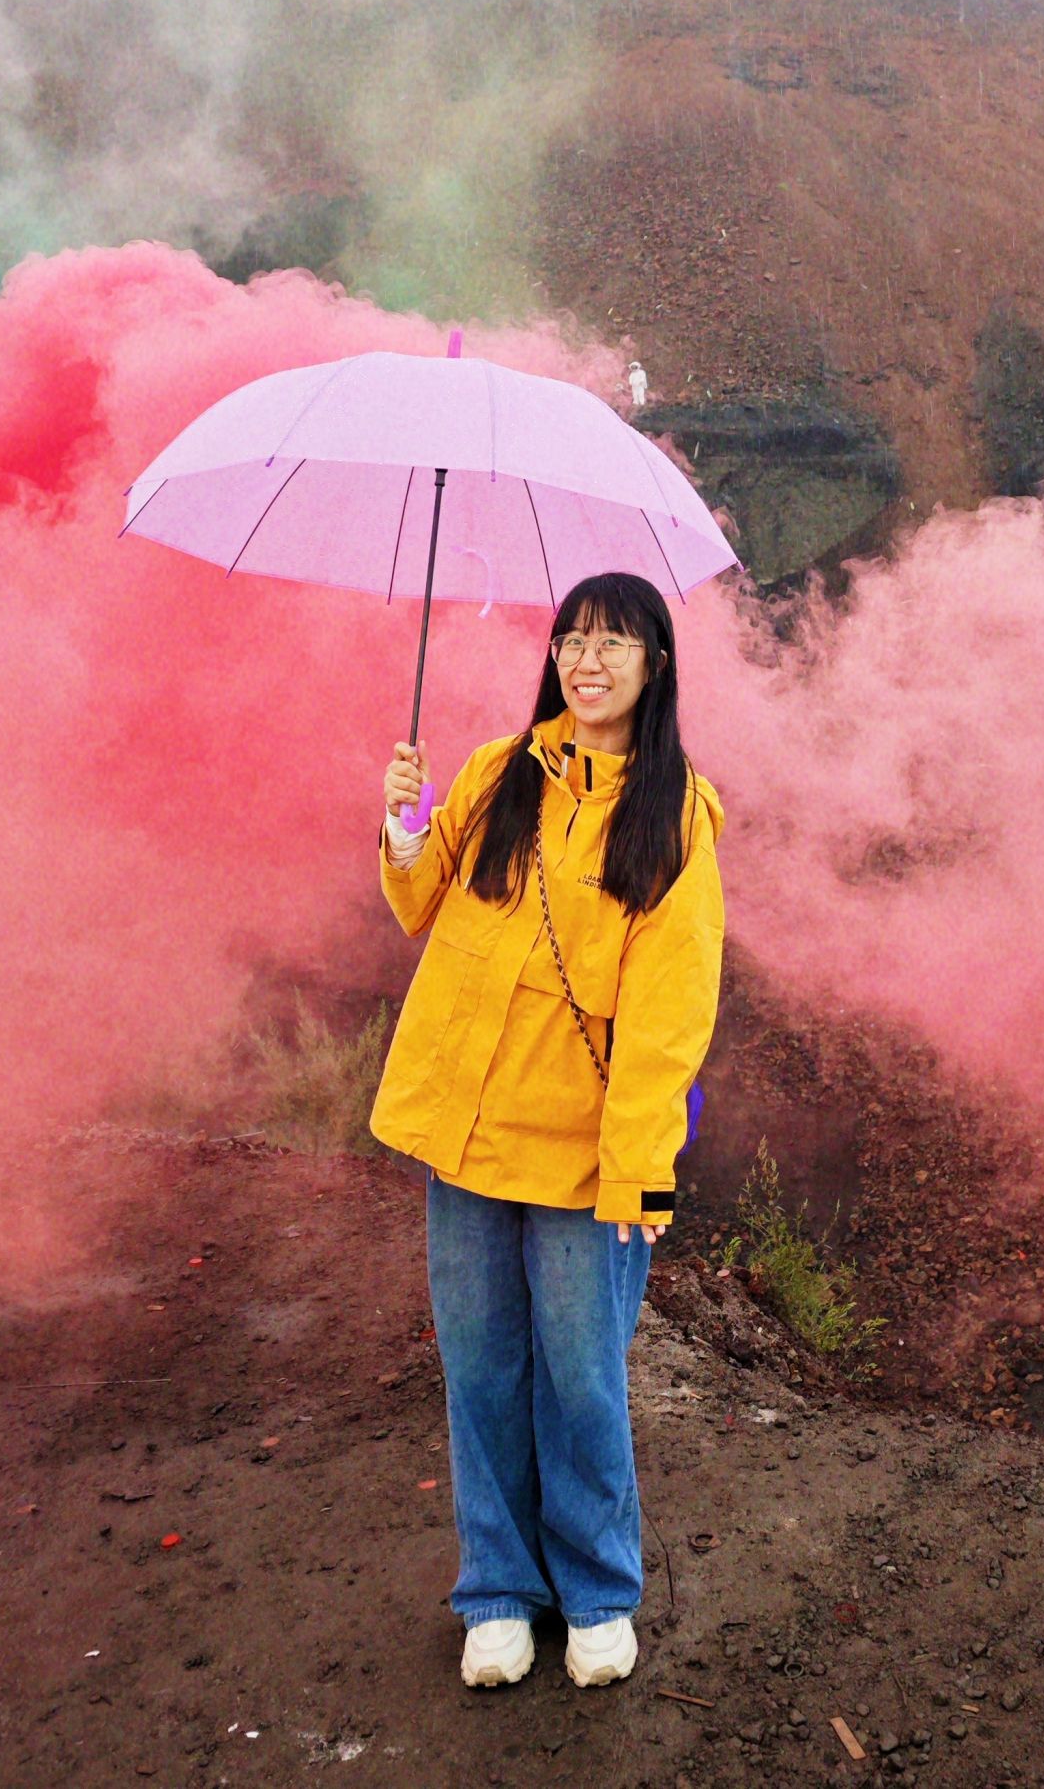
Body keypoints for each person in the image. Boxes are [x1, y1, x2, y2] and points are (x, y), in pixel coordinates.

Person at [370, 570, 725, 1692]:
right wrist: (404, 823)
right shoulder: (497, 772)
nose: (586, 660)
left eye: (612, 643)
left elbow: (669, 1019)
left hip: (579, 1151)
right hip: (468, 1132)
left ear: (655, 666)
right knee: (480, 1368)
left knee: (580, 1377)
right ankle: (497, 1592)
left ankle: (598, 1589)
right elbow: (418, 903)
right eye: (571, 639)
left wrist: (642, 1174)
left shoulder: (671, 817)